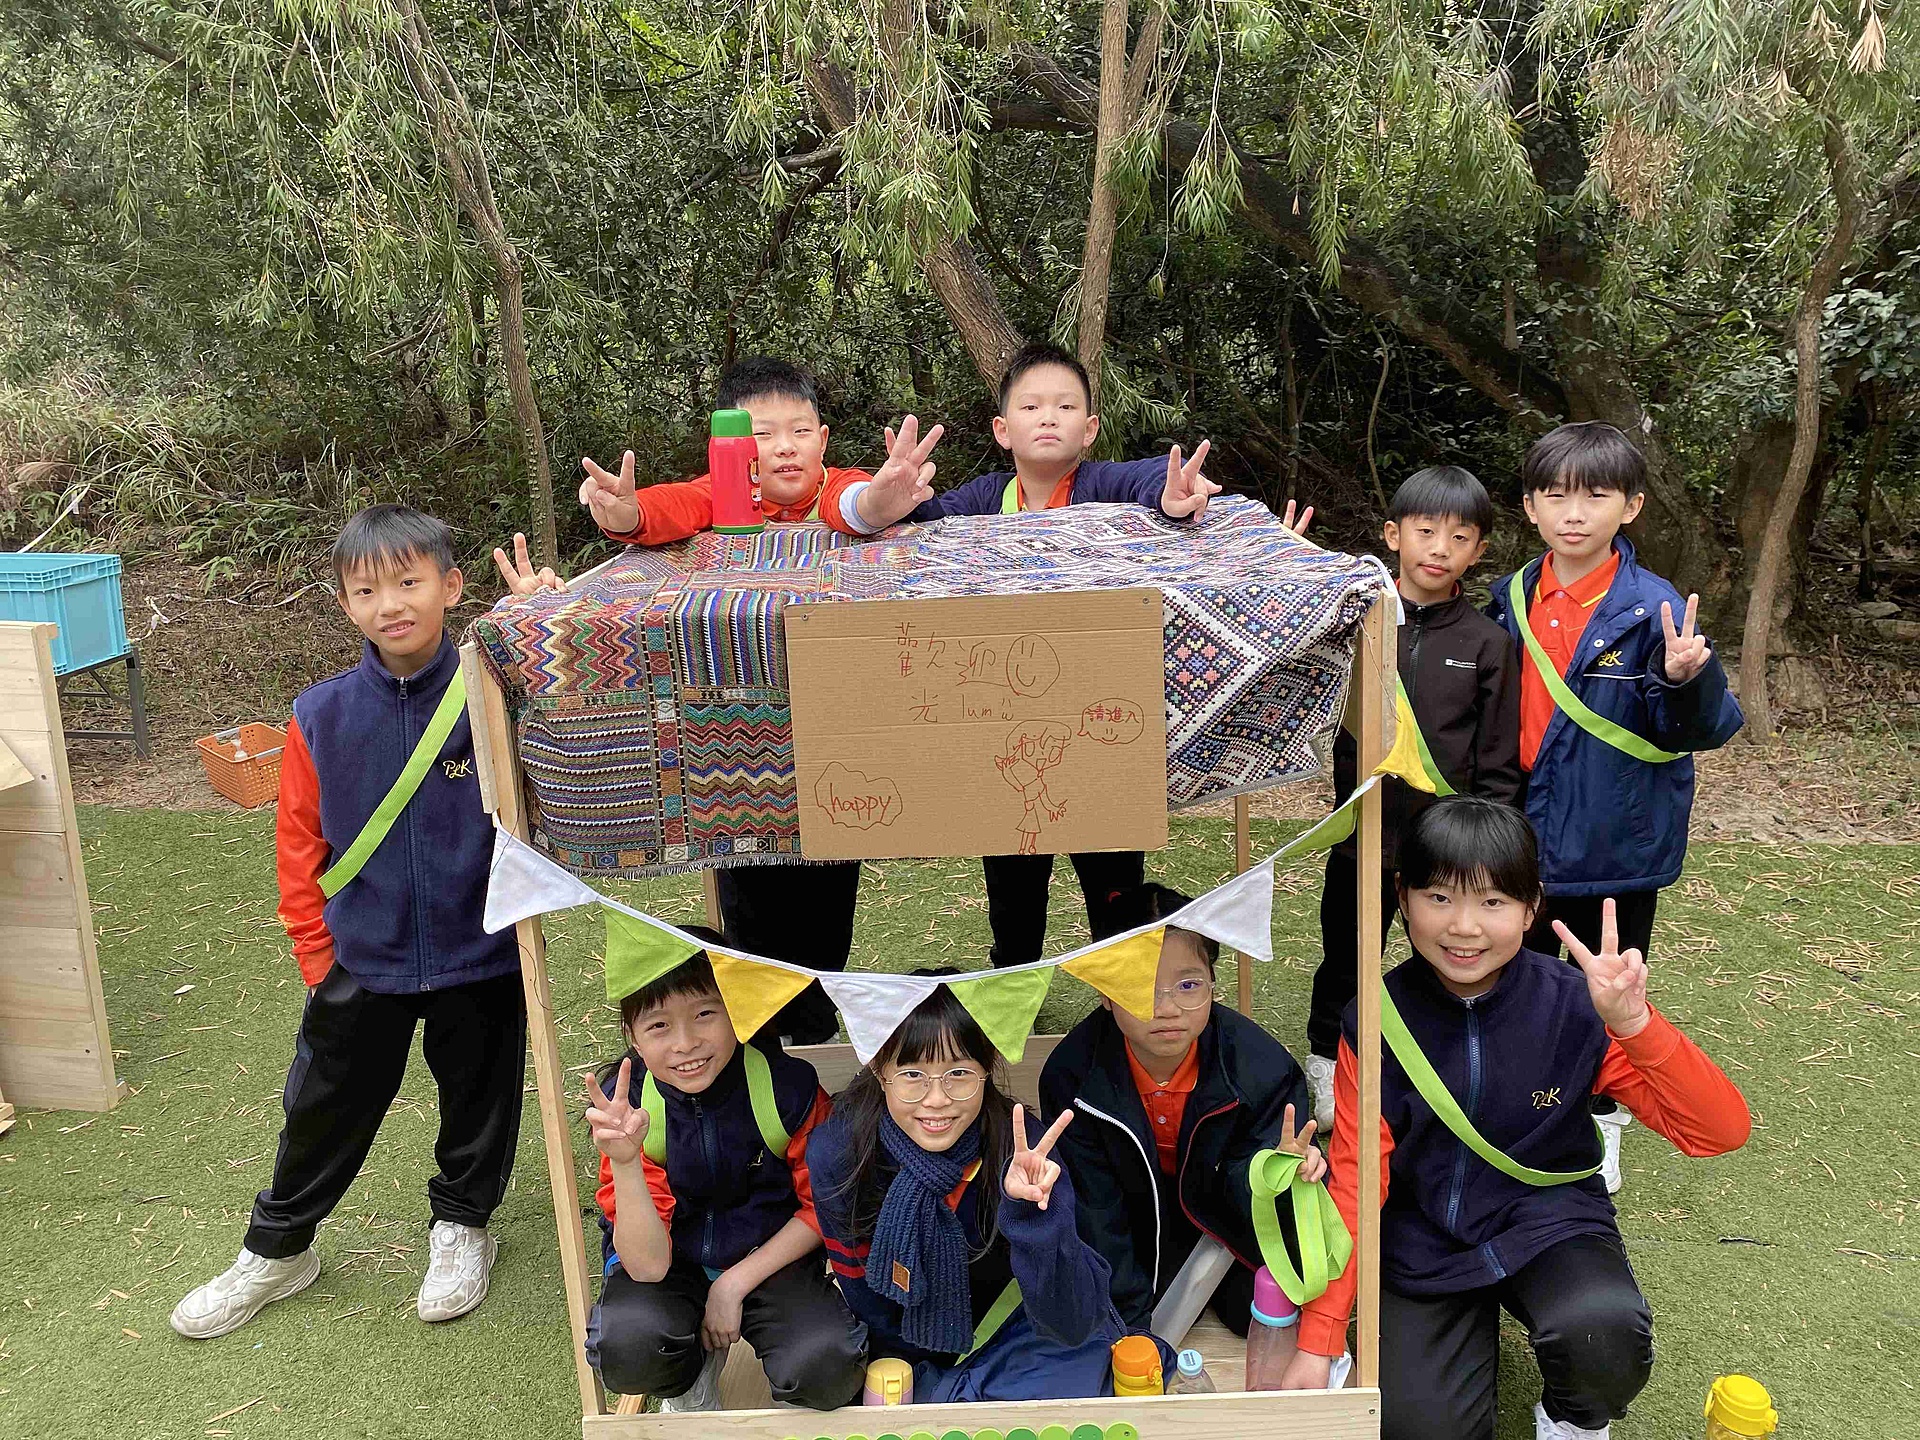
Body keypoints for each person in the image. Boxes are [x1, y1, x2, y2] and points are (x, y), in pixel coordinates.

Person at [1284, 797, 1750, 1440]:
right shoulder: (1375, 1019)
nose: (1464, 927)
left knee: (1603, 1335)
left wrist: (1635, 1024)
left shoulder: (1577, 1006)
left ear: (1532, 909)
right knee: (1418, 1428)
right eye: (1439, 897)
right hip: (1426, 1236)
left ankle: (1572, 1420)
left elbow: (1718, 1131)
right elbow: (1357, 1179)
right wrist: (1320, 1338)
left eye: (1494, 902)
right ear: (1402, 897)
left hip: (1548, 1220)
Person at [837, 341, 1311, 971]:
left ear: (1089, 429)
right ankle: (1012, 986)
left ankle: (1125, 993)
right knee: (1013, 884)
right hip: (1007, 727)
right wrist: (895, 496)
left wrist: (1172, 495)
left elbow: (1149, 479)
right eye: (1031, 406)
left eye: (1065, 406)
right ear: (1003, 430)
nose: (1048, 417)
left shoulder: (1104, 486)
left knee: (1113, 883)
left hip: (1104, 724)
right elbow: (927, 525)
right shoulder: (984, 498)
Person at [171, 506, 529, 1339]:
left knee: (478, 1099)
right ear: (344, 604)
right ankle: (279, 1248)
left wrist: (539, 622)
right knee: (322, 1106)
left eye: (409, 582)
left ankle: (462, 1225)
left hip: (482, 951)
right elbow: (299, 840)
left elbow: (569, 733)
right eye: (367, 591)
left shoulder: (495, 691)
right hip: (361, 956)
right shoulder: (320, 714)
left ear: (451, 586)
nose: (390, 604)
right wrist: (317, 954)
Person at [576, 356, 944, 1042]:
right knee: (750, 918)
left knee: (826, 915)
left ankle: (815, 1039)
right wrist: (625, 513)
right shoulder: (719, 494)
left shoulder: (836, 488)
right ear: (727, 446)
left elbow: (857, 506)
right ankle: (763, 1047)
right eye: (762, 434)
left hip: (832, 747)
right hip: (733, 756)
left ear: (823, 440)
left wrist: (882, 501)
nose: (783, 447)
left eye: (799, 431)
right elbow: (664, 511)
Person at [1485, 422, 1743, 1189]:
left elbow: (1699, 730)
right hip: (1526, 836)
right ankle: (1521, 1106)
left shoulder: (1652, 608)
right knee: (1523, 980)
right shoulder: (1509, 597)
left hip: (1617, 842)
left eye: (1595, 495)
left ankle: (1603, 1117)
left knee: (1612, 983)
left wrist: (1686, 677)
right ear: (1530, 506)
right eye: (1555, 494)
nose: (1574, 513)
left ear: (1630, 506)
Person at [1305, 466, 1521, 1130]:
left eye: (1459, 538)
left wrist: (1484, 848)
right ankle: (1326, 1063)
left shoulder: (1487, 642)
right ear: (1393, 534)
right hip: (1362, 834)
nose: (1439, 549)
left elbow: (1497, 760)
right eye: (1426, 532)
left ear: (1478, 551)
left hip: (1445, 848)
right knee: (1346, 956)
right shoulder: (1355, 623)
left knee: (1451, 958)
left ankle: (1451, 1067)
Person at [581, 930, 866, 1412]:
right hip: (670, 1265)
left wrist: (733, 1284)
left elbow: (822, 1207)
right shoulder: (625, 1109)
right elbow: (647, 1267)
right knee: (628, 1347)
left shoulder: (787, 1089)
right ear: (633, 1036)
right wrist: (626, 1162)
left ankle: (789, 1381)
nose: (686, 1043)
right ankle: (689, 1379)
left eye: (705, 1014)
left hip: (770, 1258)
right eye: (659, 1025)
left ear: (736, 1010)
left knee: (827, 1368)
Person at [808, 985, 1129, 1402]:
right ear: (878, 1069)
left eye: (959, 1073)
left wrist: (1034, 1219)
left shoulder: (1024, 1154)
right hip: (900, 1347)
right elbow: (865, 1297)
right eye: (912, 1075)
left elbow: (1073, 1322)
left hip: (1005, 1334)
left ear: (987, 1068)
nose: (936, 1100)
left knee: (1086, 1362)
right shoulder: (840, 1153)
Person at [1039, 884, 1324, 1337]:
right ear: (1105, 993)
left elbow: (1257, 1194)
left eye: (1188, 985)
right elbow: (1095, 1210)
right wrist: (1129, 1325)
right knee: (1112, 1313)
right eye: (1139, 988)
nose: (1167, 1008)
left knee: (1253, 1312)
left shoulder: (1262, 1068)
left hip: (1224, 1216)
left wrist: (1274, 1172)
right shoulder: (1072, 1077)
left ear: (1213, 984)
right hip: (1131, 1216)